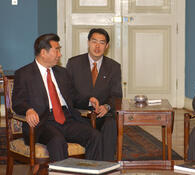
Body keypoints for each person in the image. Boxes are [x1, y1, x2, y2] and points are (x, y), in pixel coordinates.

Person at [12, 33, 103, 162]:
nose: (60, 54)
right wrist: (28, 110)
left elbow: (73, 97)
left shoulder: (62, 73)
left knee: (95, 136)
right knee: (57, 141)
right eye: (57, 50)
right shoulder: (24, 74)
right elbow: (17, 101)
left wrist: (89, 100)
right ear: (44, 52)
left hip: (67, 119)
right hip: (43, 122)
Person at [66, 28, 122, 161]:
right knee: (91, 133)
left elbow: (116, 95)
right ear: (88, 42)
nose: (97, 46)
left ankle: (106, 166)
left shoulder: (114, 67)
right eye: (94, 41)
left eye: (102, 43)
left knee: (111, 124)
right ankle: (91, 167)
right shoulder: (74, 63)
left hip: (102, 115)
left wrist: (107, 106)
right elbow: (67, 94)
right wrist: (88, 100)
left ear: (107, 46)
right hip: (80, 114)